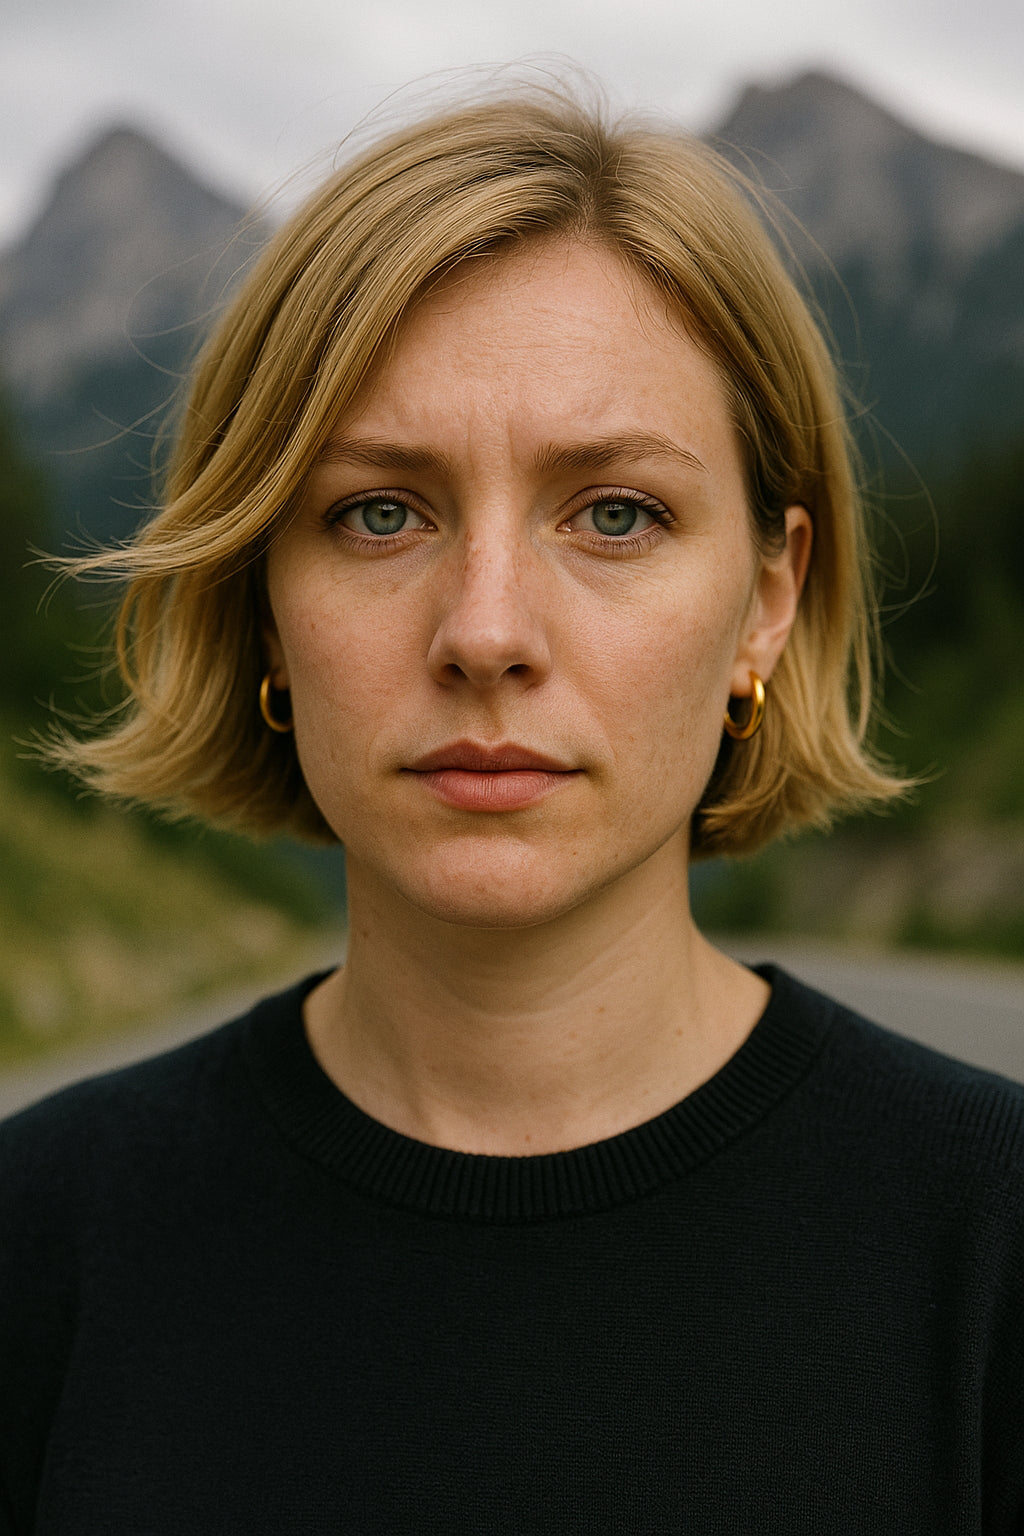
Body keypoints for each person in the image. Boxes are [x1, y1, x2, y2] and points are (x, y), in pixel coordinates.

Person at [2, 83, 1023, 1534]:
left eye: (615, 513)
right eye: (379, 512)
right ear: (263, 609)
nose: (486, 631)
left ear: (768, 602)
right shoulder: (38, 1243)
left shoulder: (991, 1241)